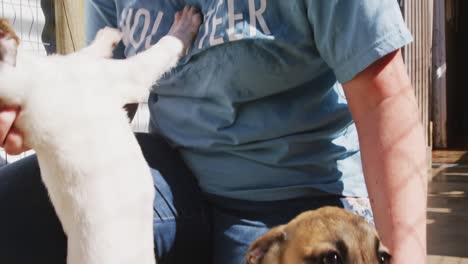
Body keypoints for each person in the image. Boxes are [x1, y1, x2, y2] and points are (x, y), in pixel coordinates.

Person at [0, 0, 427, 263]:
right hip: (176, 178)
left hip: (294, 190)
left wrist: (406, 257)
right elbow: (112, 92)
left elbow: (383, 100)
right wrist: (43, 114)